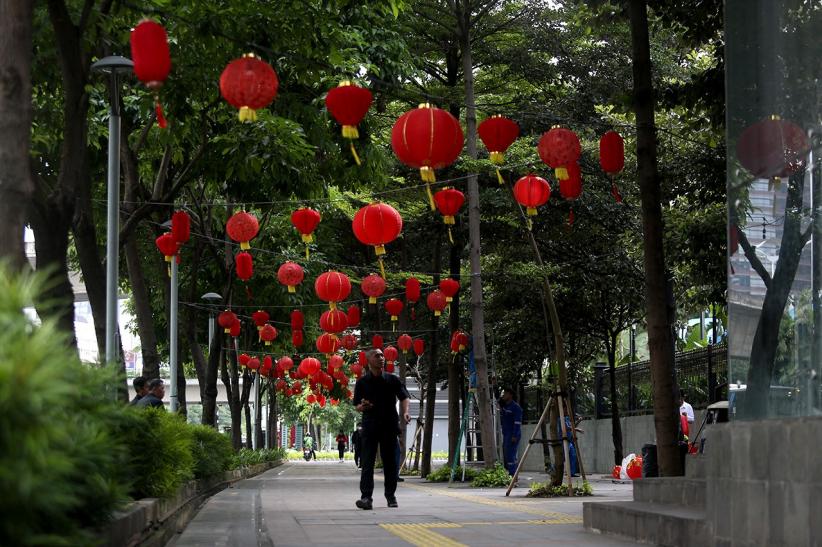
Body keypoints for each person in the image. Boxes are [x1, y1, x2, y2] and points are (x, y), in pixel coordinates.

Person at [353, 348, 410, 510]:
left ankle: (390, 496)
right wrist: (363, 406)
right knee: (367, 463)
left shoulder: (392, 379)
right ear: (369, 361)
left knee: (390, 464)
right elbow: (357, 405)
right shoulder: (362, 382)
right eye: (377, 356)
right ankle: (366, 498)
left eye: (382, 355)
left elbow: (404, 397)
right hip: (370, 426)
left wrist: (405, 412)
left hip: (389, 426)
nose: (381, 358)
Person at [499, 388, 523, 476]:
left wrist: (514, 435)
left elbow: (517, 423)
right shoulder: (505, 406)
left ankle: (513, 475)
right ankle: (512, 474)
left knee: (510, 455)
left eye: (506, 393)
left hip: (512, 434)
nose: (504, 395)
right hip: (506, 434)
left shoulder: (516, 407)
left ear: (511, 395)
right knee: (508, 455)